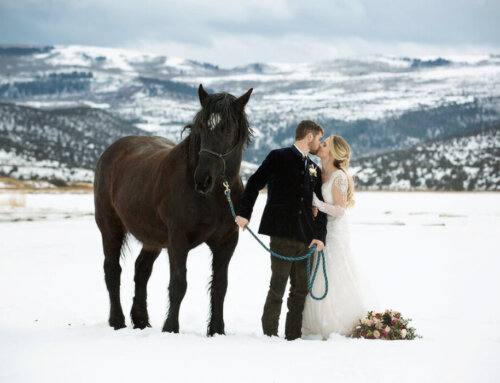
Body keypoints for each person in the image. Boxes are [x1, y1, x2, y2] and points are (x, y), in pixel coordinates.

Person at [235, 120, 328, 341]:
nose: (320, 143)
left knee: (300, 291)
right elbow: (254, 183)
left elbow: (321, 206)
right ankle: (269, 335)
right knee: (277, 286)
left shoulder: (314, 169)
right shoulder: (278, 157)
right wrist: (244, 213)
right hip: (281, 234)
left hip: (307, 239)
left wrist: (319, 236)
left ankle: (293, 336)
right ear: (308, 137)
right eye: (319, 139)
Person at [302, 135, 369, 339]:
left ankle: (336, 322)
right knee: (317, 272)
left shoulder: (339, 176)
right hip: (320, 229)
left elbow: (340, 210)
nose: (320, 146)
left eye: (324, 144)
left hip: (335, 231)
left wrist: (317, 203)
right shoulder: (320, 172)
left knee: (332, 272)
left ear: (331, 152)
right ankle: (315, 321)